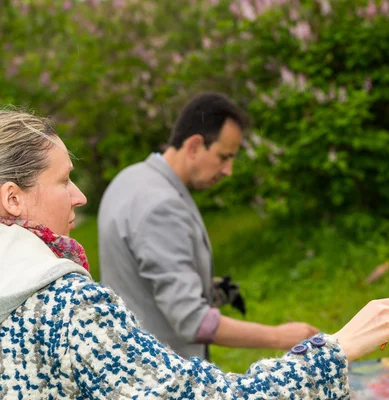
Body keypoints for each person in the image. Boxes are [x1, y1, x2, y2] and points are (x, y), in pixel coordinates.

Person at [0, 108, 389, 398]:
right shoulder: (65, 308)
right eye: (63, 181)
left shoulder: (132, 181)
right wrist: (332, 348)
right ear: (13, 199)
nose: (79, 197)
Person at [98, 92, 320, 360]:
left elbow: (145, 274)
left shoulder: (130, 179)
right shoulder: (161, 205)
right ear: (193, 146)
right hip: (163, 375)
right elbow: (193, 320)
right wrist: (279, 336)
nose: (228, 170)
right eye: (224, 157)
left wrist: (211, 287)